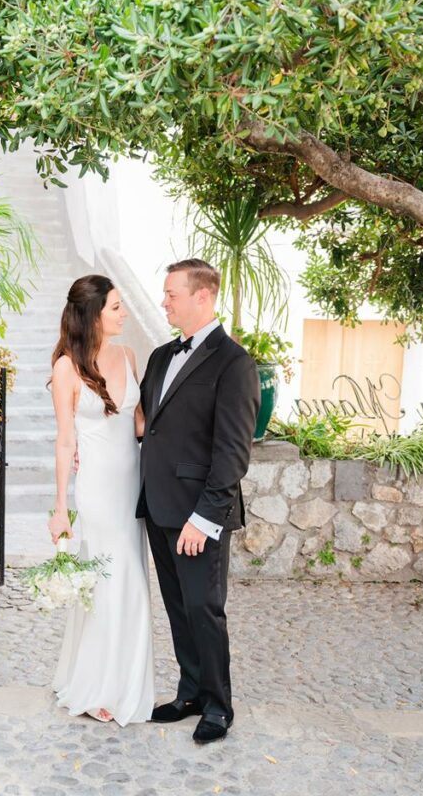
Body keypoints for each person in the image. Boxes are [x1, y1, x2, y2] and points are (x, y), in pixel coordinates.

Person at [137, 258, 260, 744]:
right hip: (159, 506)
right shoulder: (160, 356)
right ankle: (188, 691)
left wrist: (204, 518)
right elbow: (150, 426)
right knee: (177, 607)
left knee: (205, 609)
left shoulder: (235, 364)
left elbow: (232, 452)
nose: (164, 301)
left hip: (198, 515)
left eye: (172, 293)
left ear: (202, 297)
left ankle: (217, 706)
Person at [48, 274, 154, 726]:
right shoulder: (66, 368)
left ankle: (127, 682)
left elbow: (141, 426)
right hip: (96, 492)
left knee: (132, 583)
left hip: (131, 487)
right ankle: (98, 685)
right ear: (92, 314)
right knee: (107, 584)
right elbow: (65, 442)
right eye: (115, 307)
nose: (124, 312)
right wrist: (59, 508)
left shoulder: (128, 356)